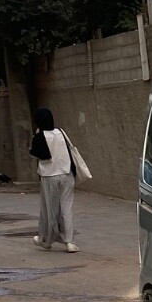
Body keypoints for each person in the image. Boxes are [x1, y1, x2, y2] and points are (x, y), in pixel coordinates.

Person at [29, 108, 91, 252]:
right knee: (66, 208)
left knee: (49, 209)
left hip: (50, 176)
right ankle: (69, 242)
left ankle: (46, 239)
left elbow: (39, 154)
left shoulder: (40, 135)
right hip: (67, 174)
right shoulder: (61, 132)